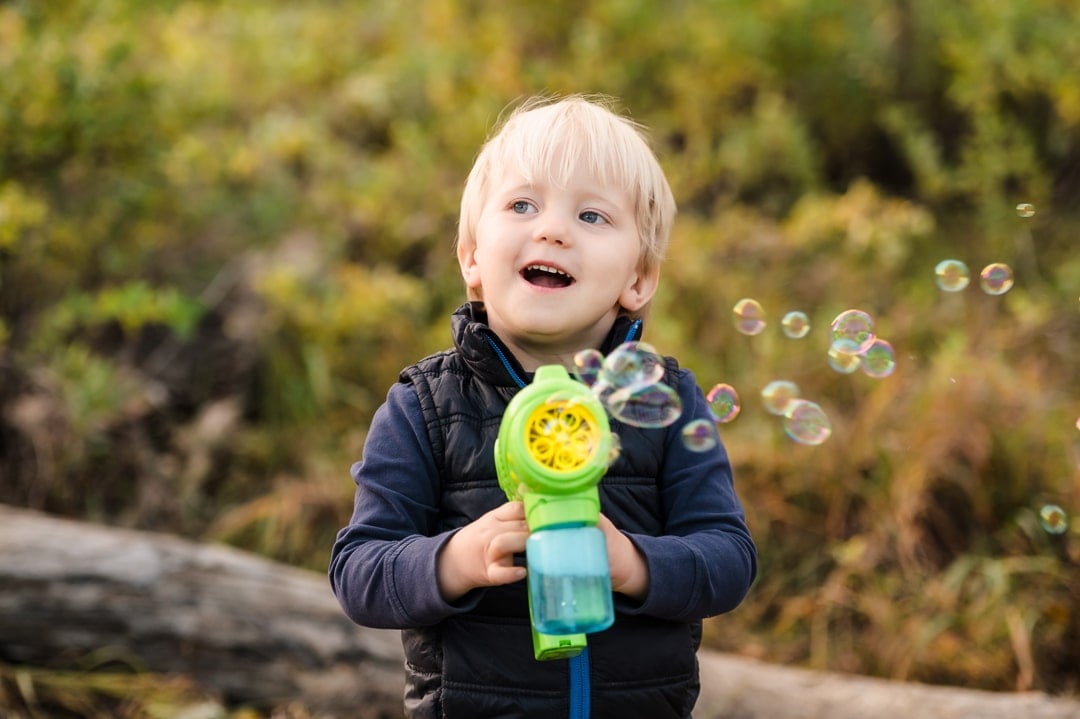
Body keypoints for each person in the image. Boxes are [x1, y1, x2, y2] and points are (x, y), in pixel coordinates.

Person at [329, 94, 757, 718]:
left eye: (591, 216)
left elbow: (728, 558)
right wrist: (458, 559)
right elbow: (360, 572)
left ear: (637, 278)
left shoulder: (661, 399)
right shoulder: (424, 406)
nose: (552, 229)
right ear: (471, 256)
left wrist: (633, 563)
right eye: (522, 205)